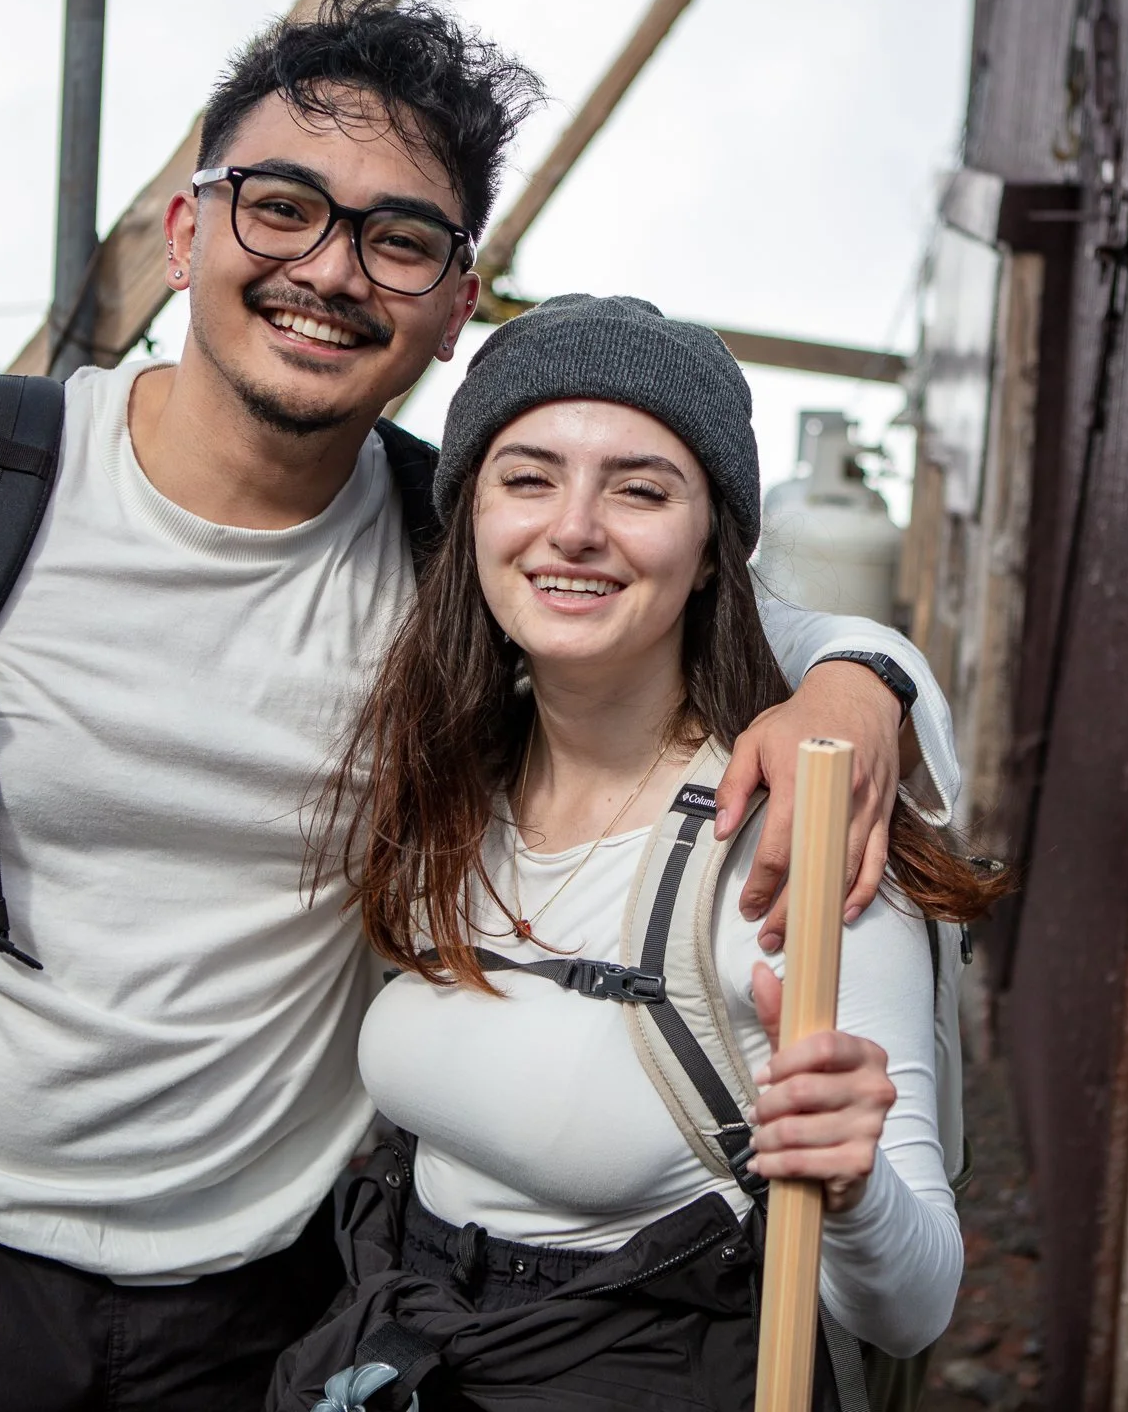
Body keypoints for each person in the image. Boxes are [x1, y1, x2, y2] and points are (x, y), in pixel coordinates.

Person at [0, 0, 958, 1410]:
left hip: (254, 1311)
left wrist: (862, 676)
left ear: (455, 306)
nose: (327, 268)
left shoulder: (453, 556)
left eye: (399, 239)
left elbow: (725, 601)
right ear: (189, 229)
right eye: (283, 206)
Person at [268, 295, 1007, 1411]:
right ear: (470, 517)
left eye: (640, 488)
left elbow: (912, 1308)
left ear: (716, 551)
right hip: (407, 1345)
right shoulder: (446, 783)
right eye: (528, 477)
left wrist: (851, 1184)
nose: (574, 527)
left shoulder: (794, 840)